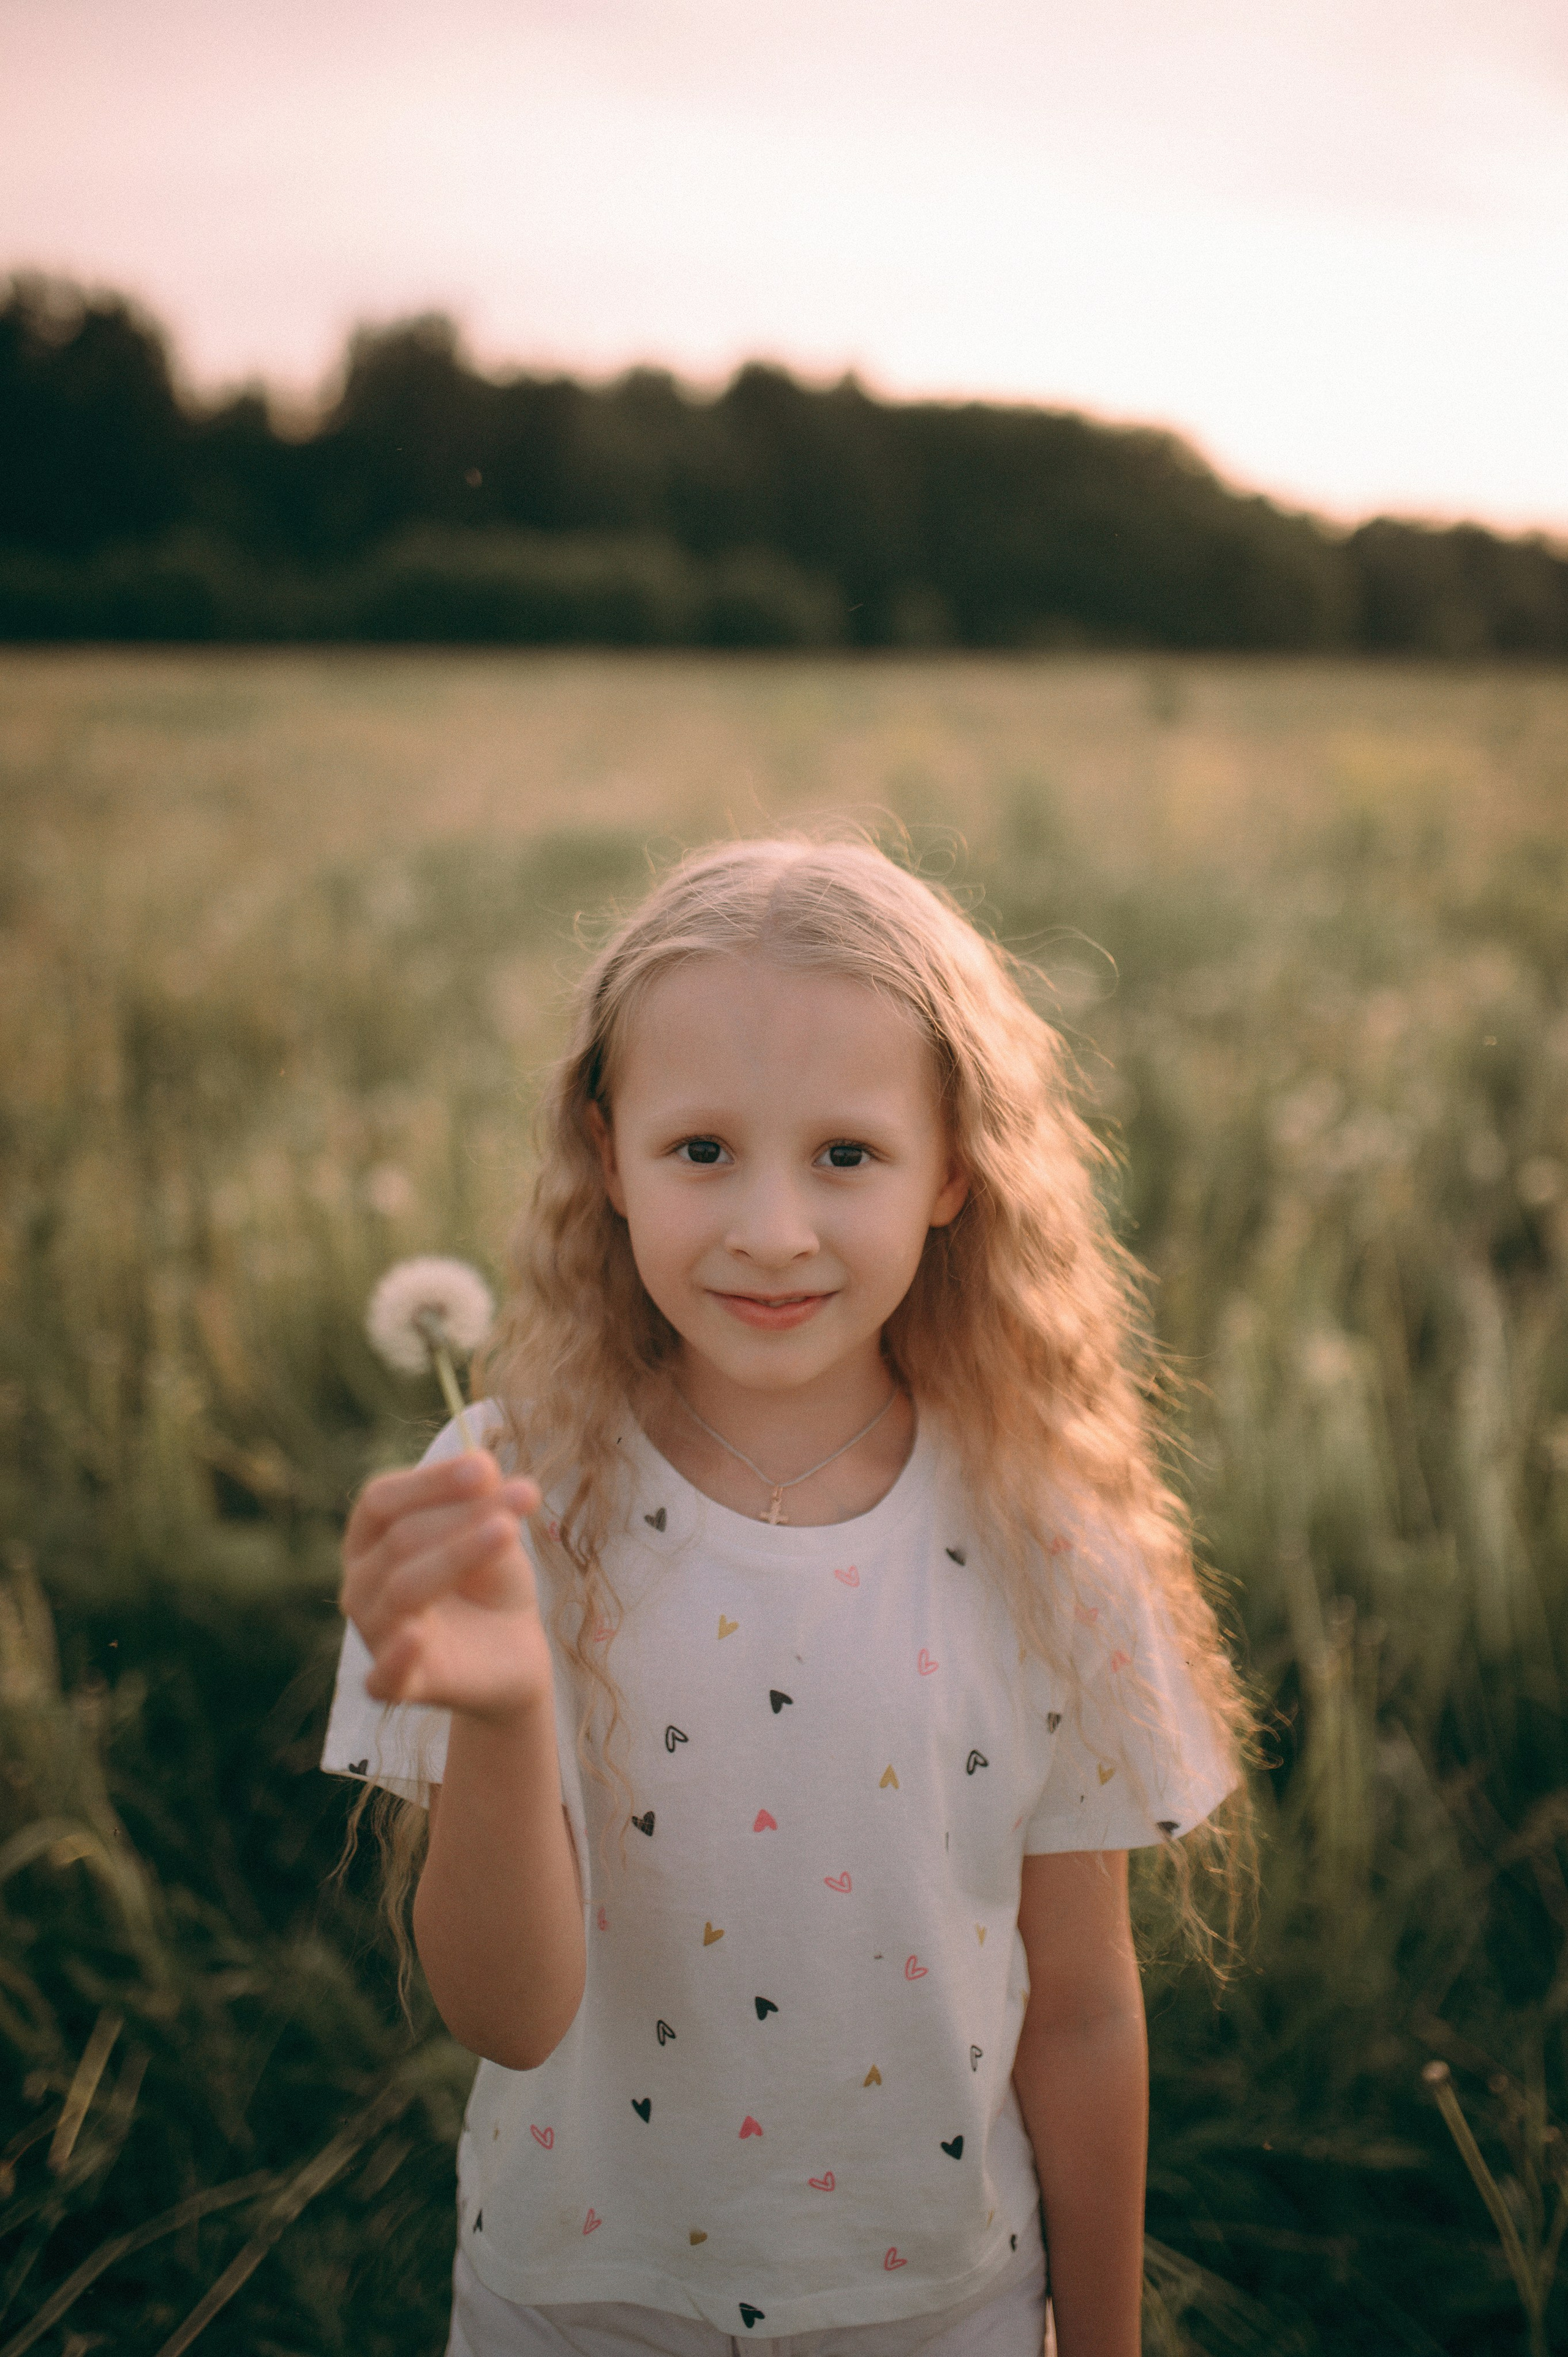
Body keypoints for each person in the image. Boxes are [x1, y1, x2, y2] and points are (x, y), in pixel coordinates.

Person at [323, 837, 1250, 2357]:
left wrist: (1100, 2341)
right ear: (604, 1152)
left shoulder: (1049, 1532)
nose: (769, 1227)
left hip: (940, 2307)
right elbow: (504, 2016)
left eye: (845, 1154)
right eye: (700, 1149)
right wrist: (498, 1714)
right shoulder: (505, 1500)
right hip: (579, 2303)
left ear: (953, 1168)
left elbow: (1081, 2004)